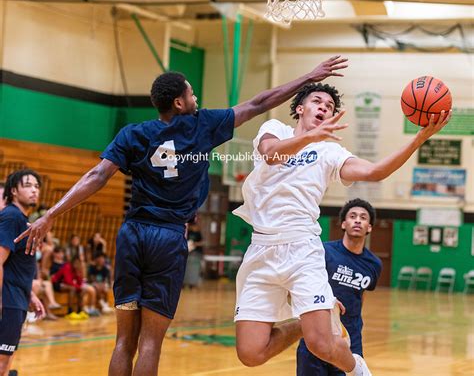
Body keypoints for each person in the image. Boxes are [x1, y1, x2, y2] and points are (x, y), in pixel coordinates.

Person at [15, 56, 348, 376]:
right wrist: (309, 76)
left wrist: (49, 216)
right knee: (150, 343)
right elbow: (260, 102)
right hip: (168, 238)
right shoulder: (202, 126)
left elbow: (96, 177)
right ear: (179, 103)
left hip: (133, 235)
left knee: (123, 342)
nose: (196, 97)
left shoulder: (134, 134)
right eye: (191, 93)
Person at [232, 82, 450, 375]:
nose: (323, 107)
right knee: (250, 353)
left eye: (330, 106)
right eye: (317, 101)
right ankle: (300, 322)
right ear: (300, 108)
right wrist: (309, 137)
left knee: (321, 345)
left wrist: (420, 138)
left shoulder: (329, 152)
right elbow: (272, 154)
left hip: (302, 248)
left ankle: (357, 368)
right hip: (261, 249)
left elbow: (374, 172)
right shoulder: (275, 130)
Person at [297, 198, 382, 376]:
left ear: (370, 227)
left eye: (363, 217)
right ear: (343, 224)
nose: (357, 220)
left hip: (350, 338)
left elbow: (361, 296)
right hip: (317, 334)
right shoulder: (324, 252)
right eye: (352, 216)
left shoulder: (374, 264)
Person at [0, 170, 46, 375]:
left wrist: (30, 295)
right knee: (1, 362)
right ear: (13, 191)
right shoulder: (11, 216)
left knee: (6, 361)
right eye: (27, 185)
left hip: (17, 298)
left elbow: (14, 265)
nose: (34, 190)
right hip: (7, 301)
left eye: (36, 186)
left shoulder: (19, 218)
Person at [183, 217, 204, 289]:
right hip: (188, 253)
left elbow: (202, 243)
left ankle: (192, 284)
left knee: (194, 270)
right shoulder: (188, 233)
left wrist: (194, 244)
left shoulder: (198, 233)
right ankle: (184, 283)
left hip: (196, 253)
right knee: (186, 269)